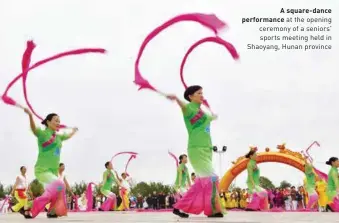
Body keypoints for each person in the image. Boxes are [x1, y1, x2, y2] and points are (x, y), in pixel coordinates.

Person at [167, 85, 223, 218]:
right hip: (196, 149)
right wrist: (176, 99)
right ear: (191, 96)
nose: (202, 95)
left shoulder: (203, 113)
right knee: (212, 178)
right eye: (199, 93)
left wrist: (215, 115)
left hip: (207, 149)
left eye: (202, 93)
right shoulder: (189, 108)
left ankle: (181, 207)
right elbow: (183, 107)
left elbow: (213, 117)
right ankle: (212, 210)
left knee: (204, 182)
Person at [22, 110, 78, 218]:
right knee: (60, 184)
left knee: (58, 190)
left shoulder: (58, 137)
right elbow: (34, 129)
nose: (58, 123)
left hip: (53, 171)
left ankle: (52, 211)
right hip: (42, 170)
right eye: (56, 121)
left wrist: (74, 131)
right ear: (48, 122)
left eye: (59, 121)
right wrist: (30, 116)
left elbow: (68, 136)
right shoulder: (43, 134)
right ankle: (32, 206)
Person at [245, 147, 268, 211]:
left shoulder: (254, 163)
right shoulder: (250, 164)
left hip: (255, 182)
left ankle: (255, 207)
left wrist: (258, 183)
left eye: (256, 155)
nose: (256, 156)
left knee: (261, 193)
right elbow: (250, 175)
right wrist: (253, 185)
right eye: (255, 155)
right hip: (252, 183)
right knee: (262, 193)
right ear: (251, 156)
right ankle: (251, 207)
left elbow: (256, 175)